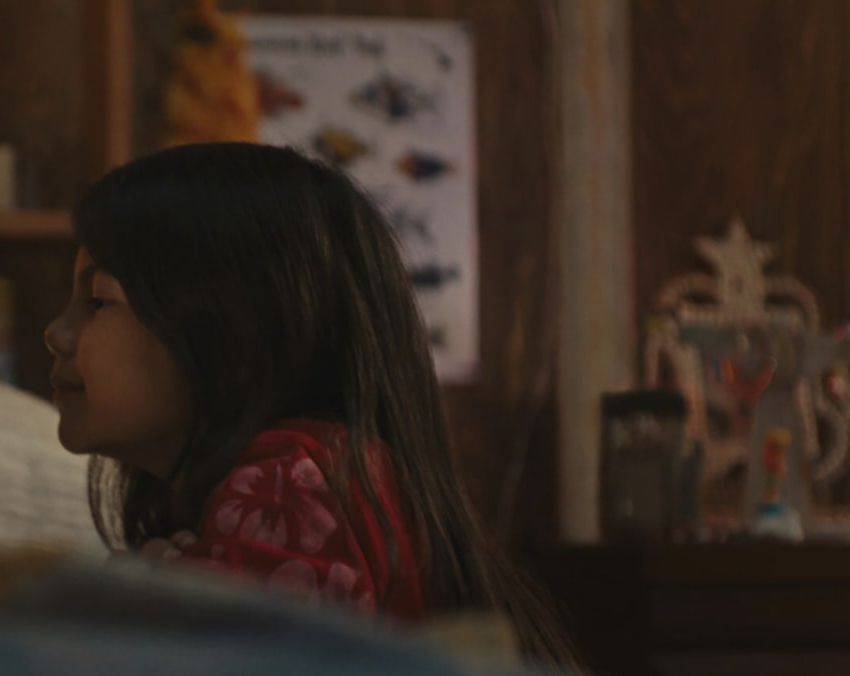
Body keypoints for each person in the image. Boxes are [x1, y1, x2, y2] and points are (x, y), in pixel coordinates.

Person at [44, 142, 579, 668]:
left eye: (97, 301)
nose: (56, 333)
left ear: (232, 337)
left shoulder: (292, 484)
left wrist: (132, 615)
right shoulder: (312, 473)